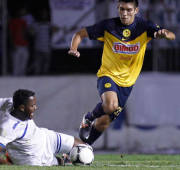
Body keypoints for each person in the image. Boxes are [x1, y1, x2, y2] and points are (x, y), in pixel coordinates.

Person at [68, 0, 175, 145]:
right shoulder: (108, 26)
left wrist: (165, 34)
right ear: (118, 8)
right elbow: (80, 34)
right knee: (110, 105)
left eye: (129, 10)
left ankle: (81, 148)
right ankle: (88, 117)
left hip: (127, 84)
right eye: (122, 9)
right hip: (108, 75)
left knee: (103, 123)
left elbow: (171, 35)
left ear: (136, 10)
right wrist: (74, 48)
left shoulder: (144, 26)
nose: (124, 13)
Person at [0, 89, 87, 166]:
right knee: (67, 163)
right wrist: (10, 167)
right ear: (22, 108)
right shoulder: (9, 127)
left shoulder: (11, 102)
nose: (36, 107)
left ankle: (67, 157)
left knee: (85, 149)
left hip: (45, 137)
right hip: (35, 157)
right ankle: (62, 160)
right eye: (32, 105)